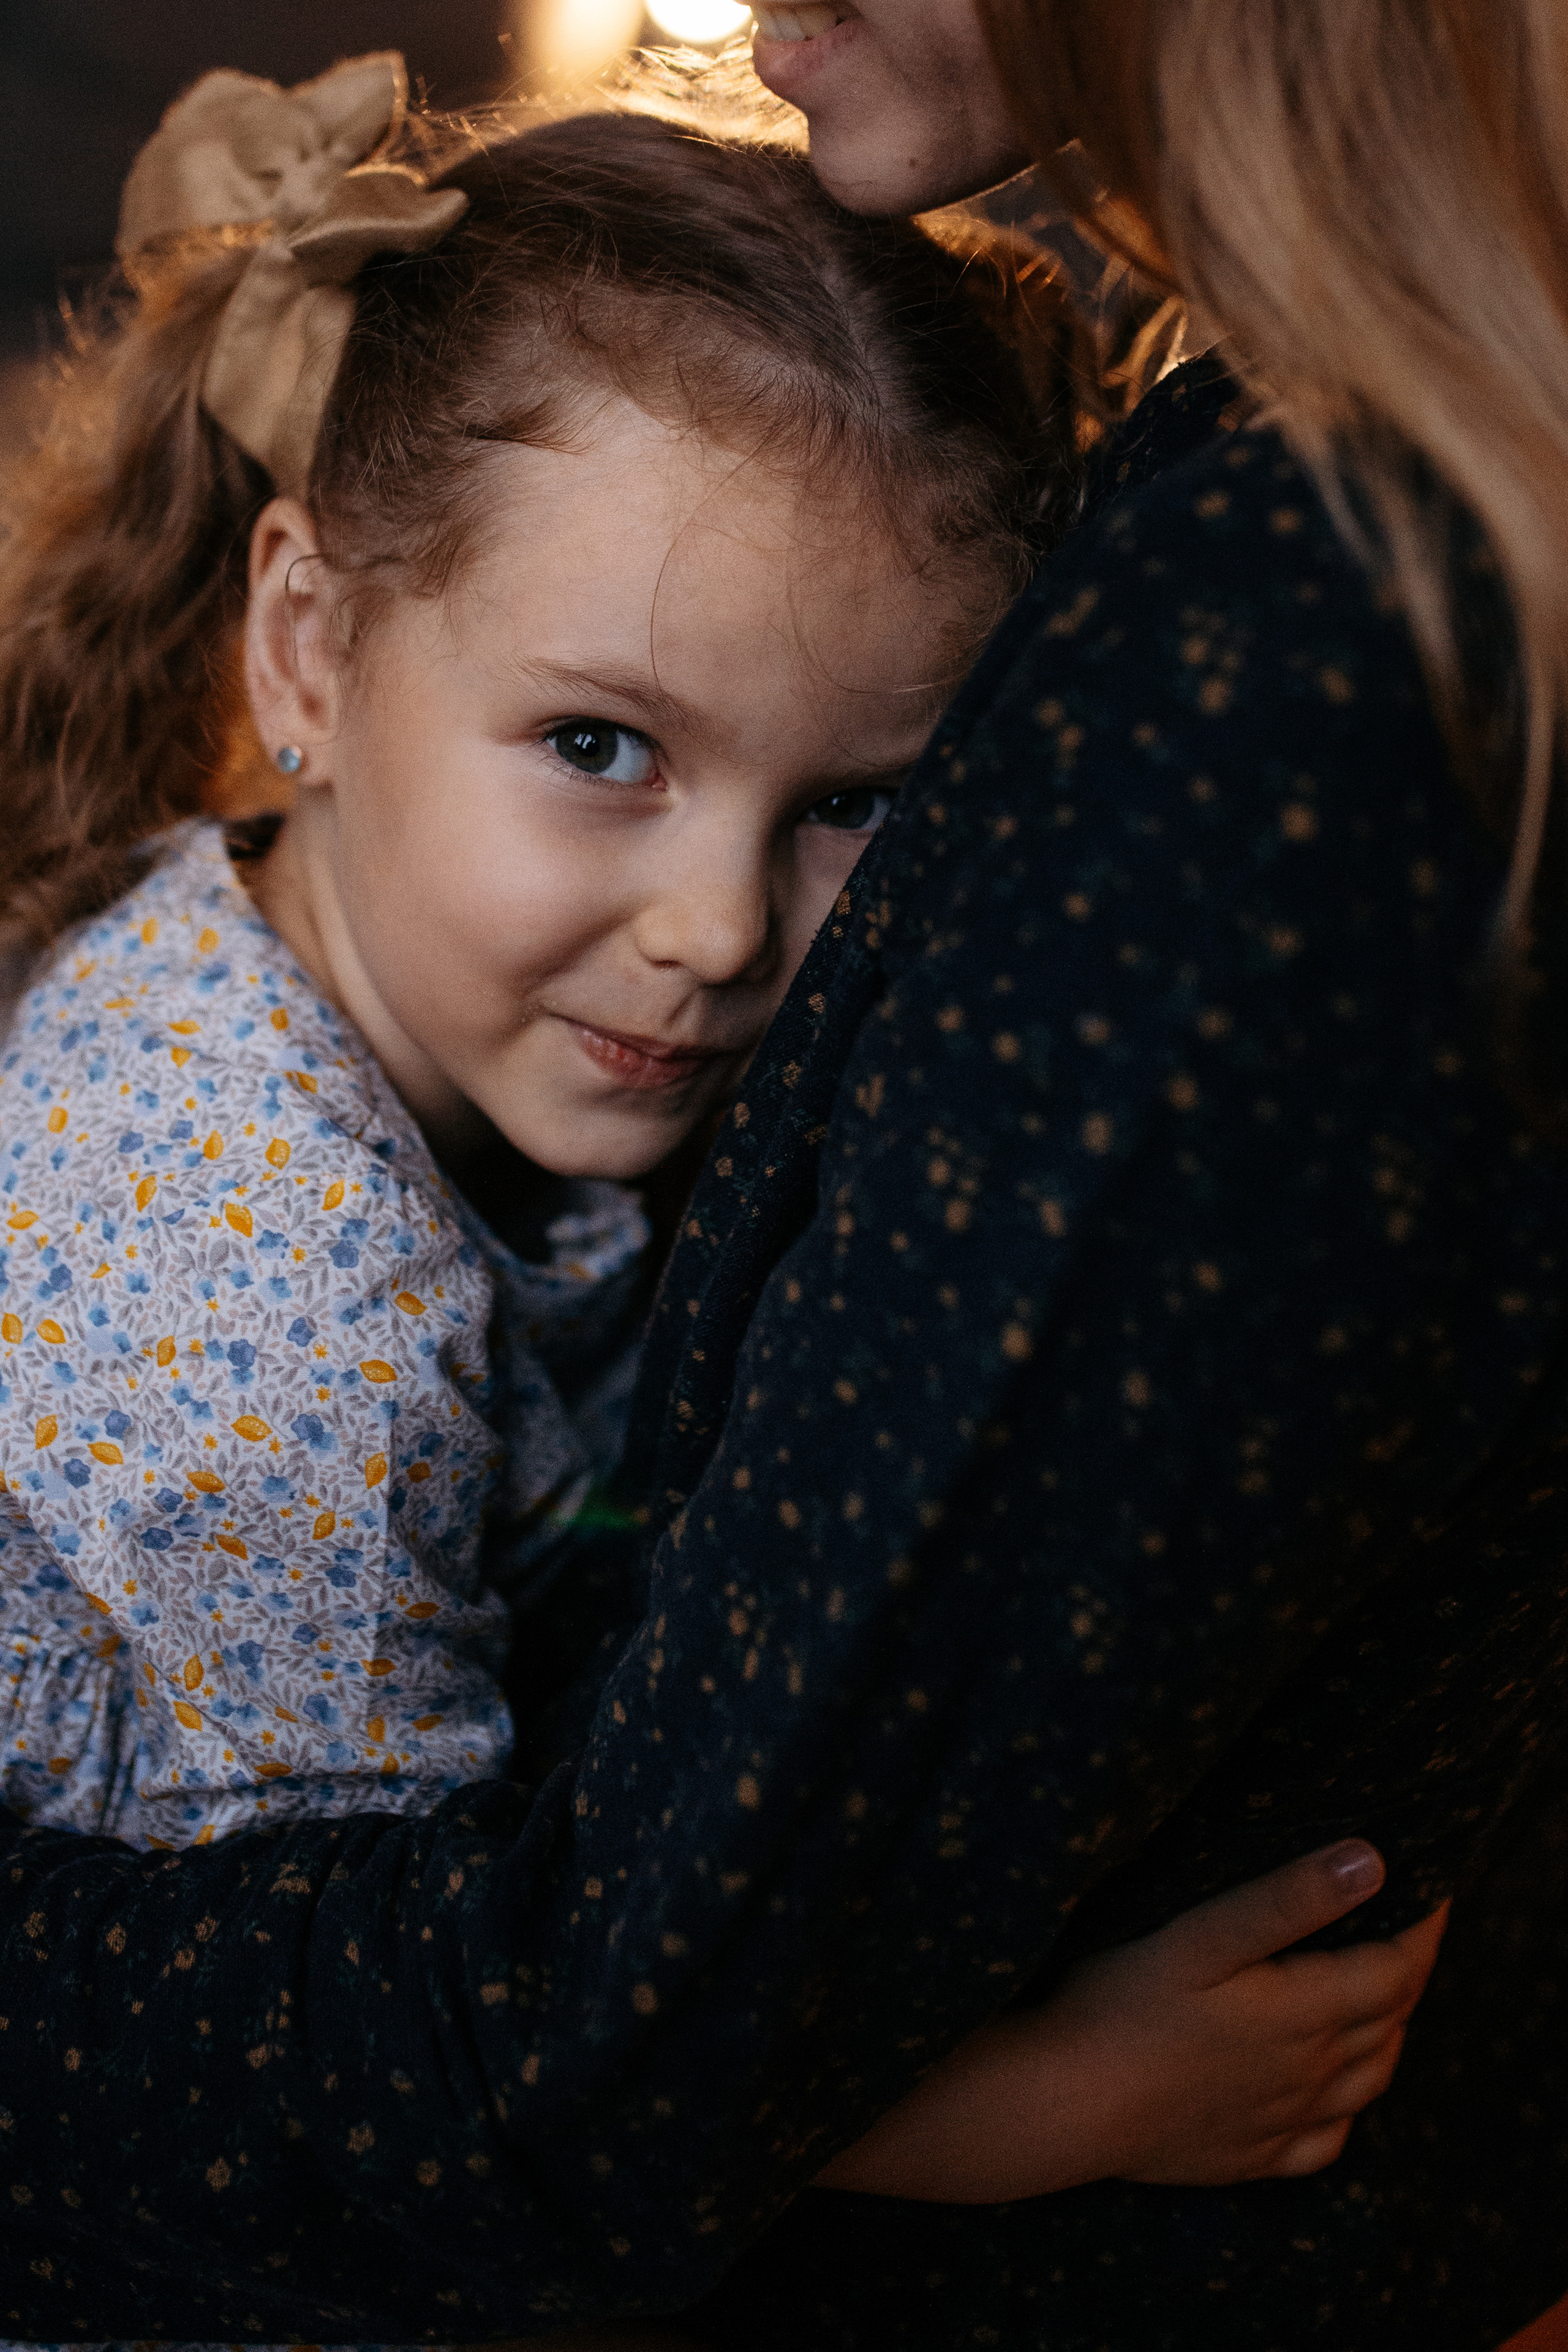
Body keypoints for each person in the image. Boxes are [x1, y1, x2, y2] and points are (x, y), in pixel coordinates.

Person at [0, 2, 1564, 2346]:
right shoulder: (250, 1309)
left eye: (854, 807)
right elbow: (408, 2066)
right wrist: (1024, 2102)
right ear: (305, 644)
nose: (725, 931)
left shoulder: (439, 1027)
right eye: (602, 747)